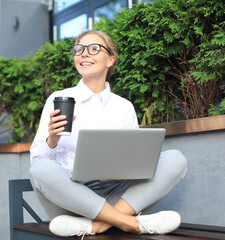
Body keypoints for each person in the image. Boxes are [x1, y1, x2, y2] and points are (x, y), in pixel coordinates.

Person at [29, 30, 188, 238]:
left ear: (110, 59)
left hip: (117, 195)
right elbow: (37, 162)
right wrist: (52, 139)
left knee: (176, 159)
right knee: (41, 169)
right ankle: (131, 223)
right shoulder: (59, 99)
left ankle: (97, 226)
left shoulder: (124, 107)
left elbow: (136, 164)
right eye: (79, 49)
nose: (84, 54)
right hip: (74, 200)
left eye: (94, 48)